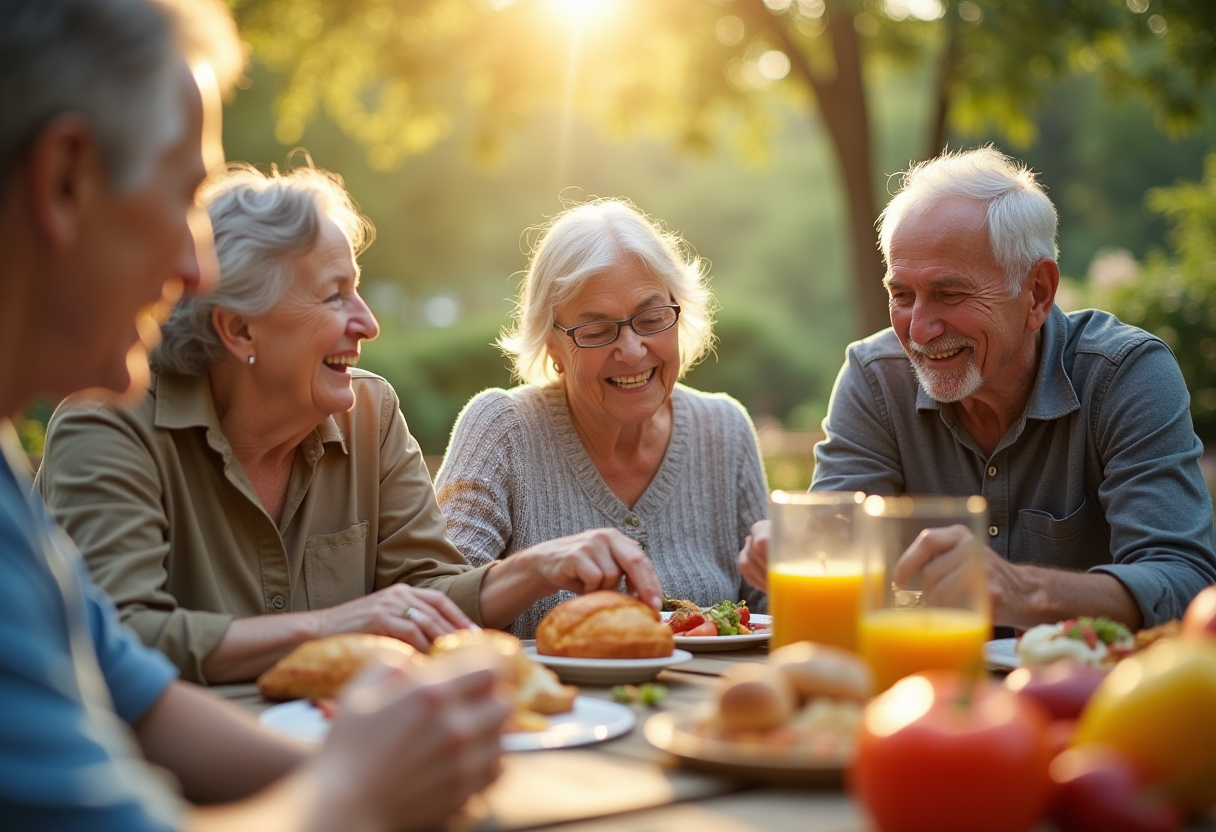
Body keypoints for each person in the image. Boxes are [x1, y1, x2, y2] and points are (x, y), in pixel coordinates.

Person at [1, 1, 509, 829]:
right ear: (63, 179)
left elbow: (144, 699)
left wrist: (405, 783)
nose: (193, 269)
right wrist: (356, 790)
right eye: (181, 196)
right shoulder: (103, 429)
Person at [36, 166, 663, 683]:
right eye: (335, 295)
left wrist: (541, 567)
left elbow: (426, 594)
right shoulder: (108, 425)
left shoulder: (371, 415)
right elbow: (117, 638)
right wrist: (337, 624)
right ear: (239, 329)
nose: (367, 323)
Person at [738, 146, 1216, 631]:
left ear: (1038, 294)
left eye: (950, 293)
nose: (920, 331)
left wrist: (1021, 590)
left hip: (1089, 694)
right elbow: (835, 546)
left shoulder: (1124, 374)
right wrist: (799, 545)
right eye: (901, 295)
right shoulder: (875, 375)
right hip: (918, 690)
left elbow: (1185, 582)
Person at [435, 198, 769, 638]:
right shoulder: (503, 430)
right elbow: (432, 607)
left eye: (651, 319)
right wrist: (537, 568)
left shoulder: (725, 429)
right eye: (595, 331)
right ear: (552, 345)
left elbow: (772, 619)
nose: (631, 351)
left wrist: (790, 566)